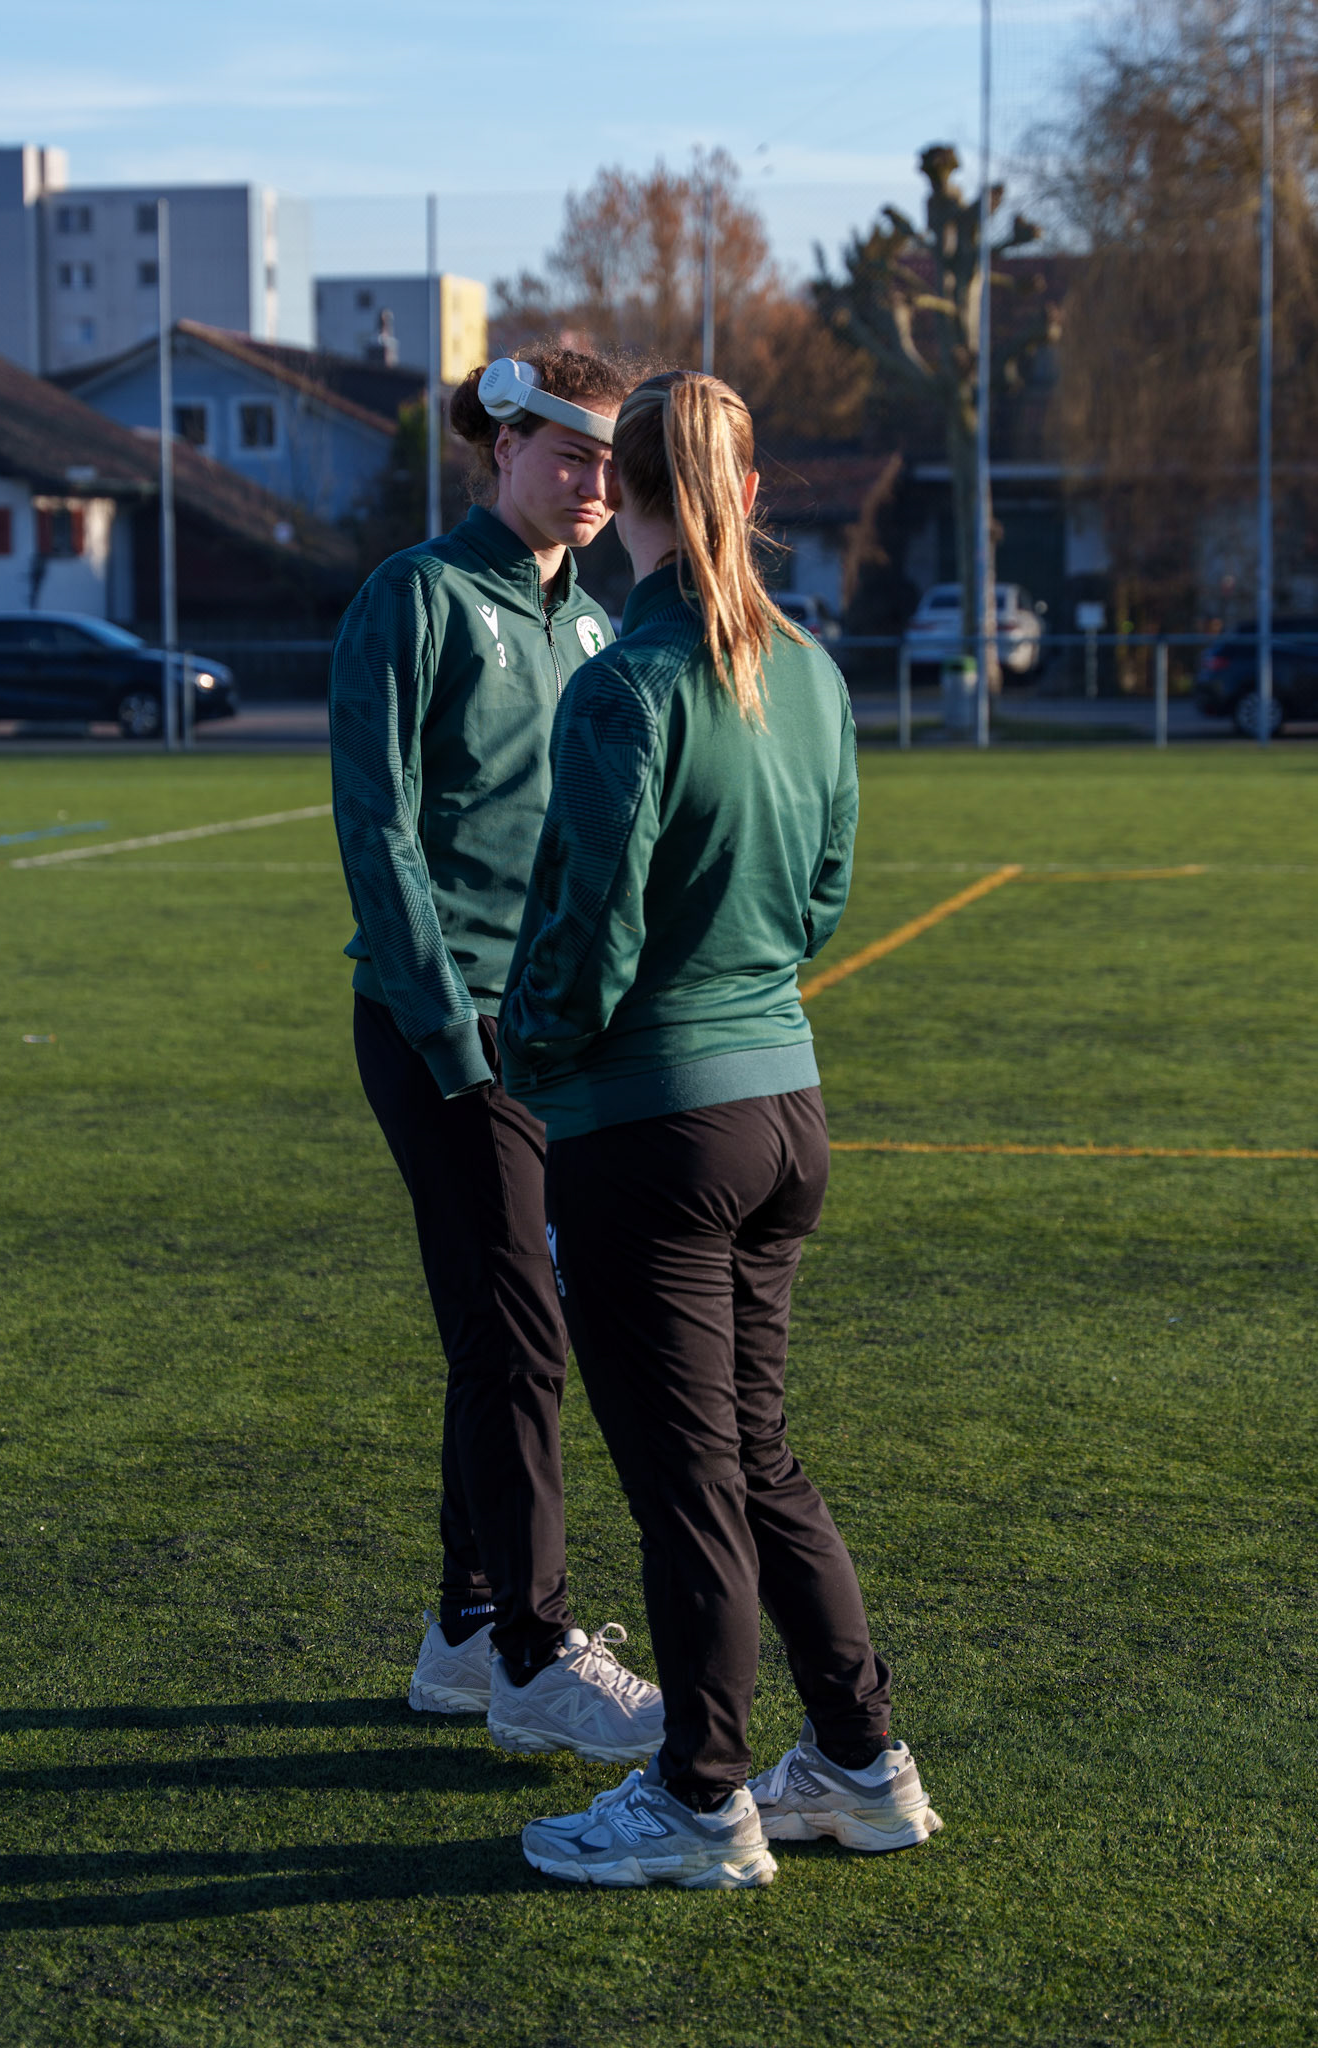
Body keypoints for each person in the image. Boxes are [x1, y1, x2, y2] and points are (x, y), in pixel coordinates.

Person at [498, 370, 943, 1887]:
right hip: (784, 1110)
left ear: (614, 494)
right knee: (755, 1459)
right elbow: (819, 897)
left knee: (692, 1483)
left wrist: (527, 1047)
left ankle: (699, 1799)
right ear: (752, 494)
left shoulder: (623, 683)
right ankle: (859, 1762)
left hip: (652, 1131)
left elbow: (586, 935)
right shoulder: (812, 673)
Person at [329, 347, 664, 1767]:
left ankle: (464, 1630)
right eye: (568, 456)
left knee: (509, 1328)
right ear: (503, 448)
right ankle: (532, 1652)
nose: (593, 486)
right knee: (520, 1332)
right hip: (444, 1029)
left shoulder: (591, 626)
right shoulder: (413, 595)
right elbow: (379, 825)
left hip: (548, 1033)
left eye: (609, 464)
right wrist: (447, 1023)